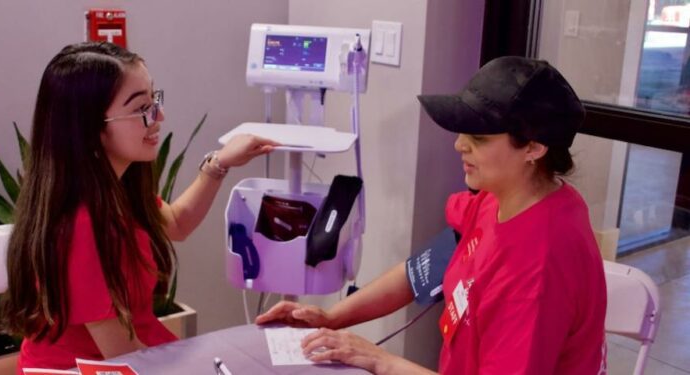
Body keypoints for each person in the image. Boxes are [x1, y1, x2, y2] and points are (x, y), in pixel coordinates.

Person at [256, 56, 607, 374]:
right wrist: (332, 318)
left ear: (534, 147)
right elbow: (418, 273)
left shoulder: (540, 268)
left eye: (478, 138)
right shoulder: (498, 198)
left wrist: (382, 361)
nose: (459, 145)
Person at [0, 42, 277, 373]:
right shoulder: (79, 226)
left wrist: (221, 163)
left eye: (155, 100)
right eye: (141, 108)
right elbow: (122, 355)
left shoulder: (114, 190)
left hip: (139, 356)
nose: (159, 116)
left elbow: (176, 223)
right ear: (91, 127)